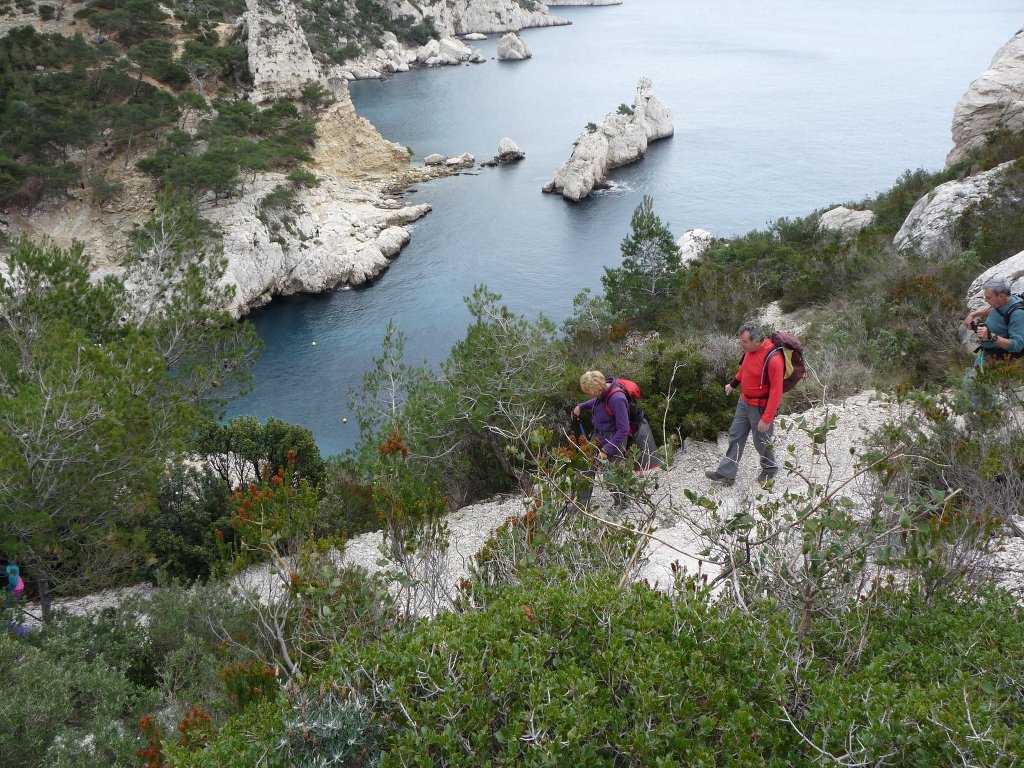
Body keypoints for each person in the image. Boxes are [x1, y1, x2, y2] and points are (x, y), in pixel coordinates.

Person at [705, 321, 783, 487]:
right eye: (740, 341)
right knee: (736, 435)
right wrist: (732, 384)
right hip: (744, 401)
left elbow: (776, 392)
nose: (741, 345)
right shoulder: (750, 351)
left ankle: (770, 468)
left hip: (760, 407)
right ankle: (727, 473)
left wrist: (767, 418)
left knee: (761, 441)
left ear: (757, 341)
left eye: (744, 342)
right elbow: (744, 370)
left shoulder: (774, 359)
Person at [572, 370, 631, 507]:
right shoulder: (603, 391)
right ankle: (582, 504)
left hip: (614, 439)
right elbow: (597, 401)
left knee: (612, 474)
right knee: (587, 467)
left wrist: (606, 450)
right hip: (598, 436)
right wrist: (581, 406)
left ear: (598, 389)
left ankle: (622, 503)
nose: (589, 395)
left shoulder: (617, 399)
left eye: (590, 392)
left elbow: (623, 429)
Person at [963, 276, 1024, 371]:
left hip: (999, 358)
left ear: (1002, 296)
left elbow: (1017, 345)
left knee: (971, 383)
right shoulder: (1001, 303)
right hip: (988, 353)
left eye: (988, 297)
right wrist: (973, 315)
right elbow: (990, 311)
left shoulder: (1017, 314)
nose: (985, 300)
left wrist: (990, 336)